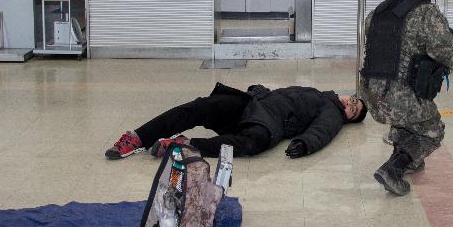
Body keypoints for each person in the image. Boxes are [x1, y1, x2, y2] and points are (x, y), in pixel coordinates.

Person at [360, 0, 453, 197]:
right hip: (402, 102)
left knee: (405, 117)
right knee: (433, 129)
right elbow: (452, 55)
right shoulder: (426, 13)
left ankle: (409, 157)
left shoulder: (377, 12)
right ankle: (395, 167)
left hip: (372, 97)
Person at [106, 82, 366, 159]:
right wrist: (261, 89)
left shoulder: (332, 114)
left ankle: (184, 146)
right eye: (353, 100)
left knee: (252, 143)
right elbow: (284, 93)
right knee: (201, 107)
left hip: (271, 124)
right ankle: (138, 136)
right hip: (253, 103)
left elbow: (322, 131)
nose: (349, 104)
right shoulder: (318, 92)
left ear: (347, 118)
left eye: (353, 110)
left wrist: (305, 144)